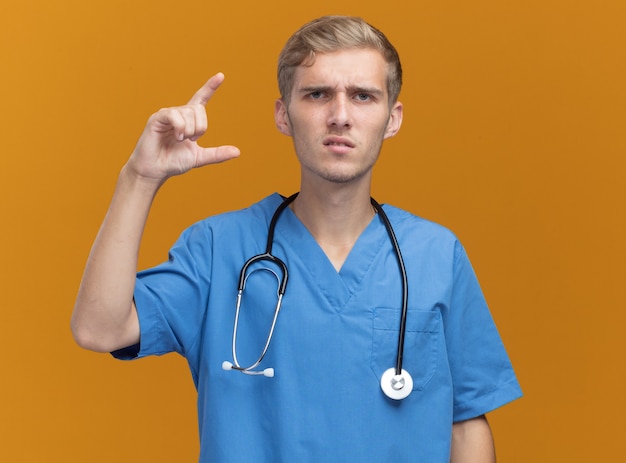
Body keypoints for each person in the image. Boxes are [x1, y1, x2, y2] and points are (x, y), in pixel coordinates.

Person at [72, 15, 522, 462]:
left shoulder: (436, 255)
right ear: (283, 115)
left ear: (392, 118)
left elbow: (465, 423)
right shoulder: (217, 248)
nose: (340, 116)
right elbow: (98, 328)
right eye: (317, 94)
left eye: (363, 96)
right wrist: (140, 177)